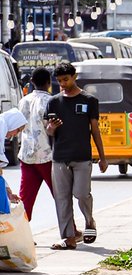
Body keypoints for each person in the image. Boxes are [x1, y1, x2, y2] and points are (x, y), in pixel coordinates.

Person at [46, 61, 106, 250]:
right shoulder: (53, 102)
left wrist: (103, 157)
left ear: (74, 77)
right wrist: (51, 128)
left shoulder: (89, 100)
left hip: (82, 157)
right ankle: (68, 238)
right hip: (59, 158)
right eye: (59, 81)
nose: (63, 84)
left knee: (81, 194)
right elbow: (48, 131)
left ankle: (89, 221)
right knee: (62, 199)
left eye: (66, 79)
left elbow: (95, 131)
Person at [17, 67, 53, 220]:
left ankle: (22, 233)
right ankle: (70, 230)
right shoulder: (51, 101)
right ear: (49, 82)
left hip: (26, 155)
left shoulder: (23, 101)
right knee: (60, 196)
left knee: (25, 199)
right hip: (46, 155)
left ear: (31, 82)